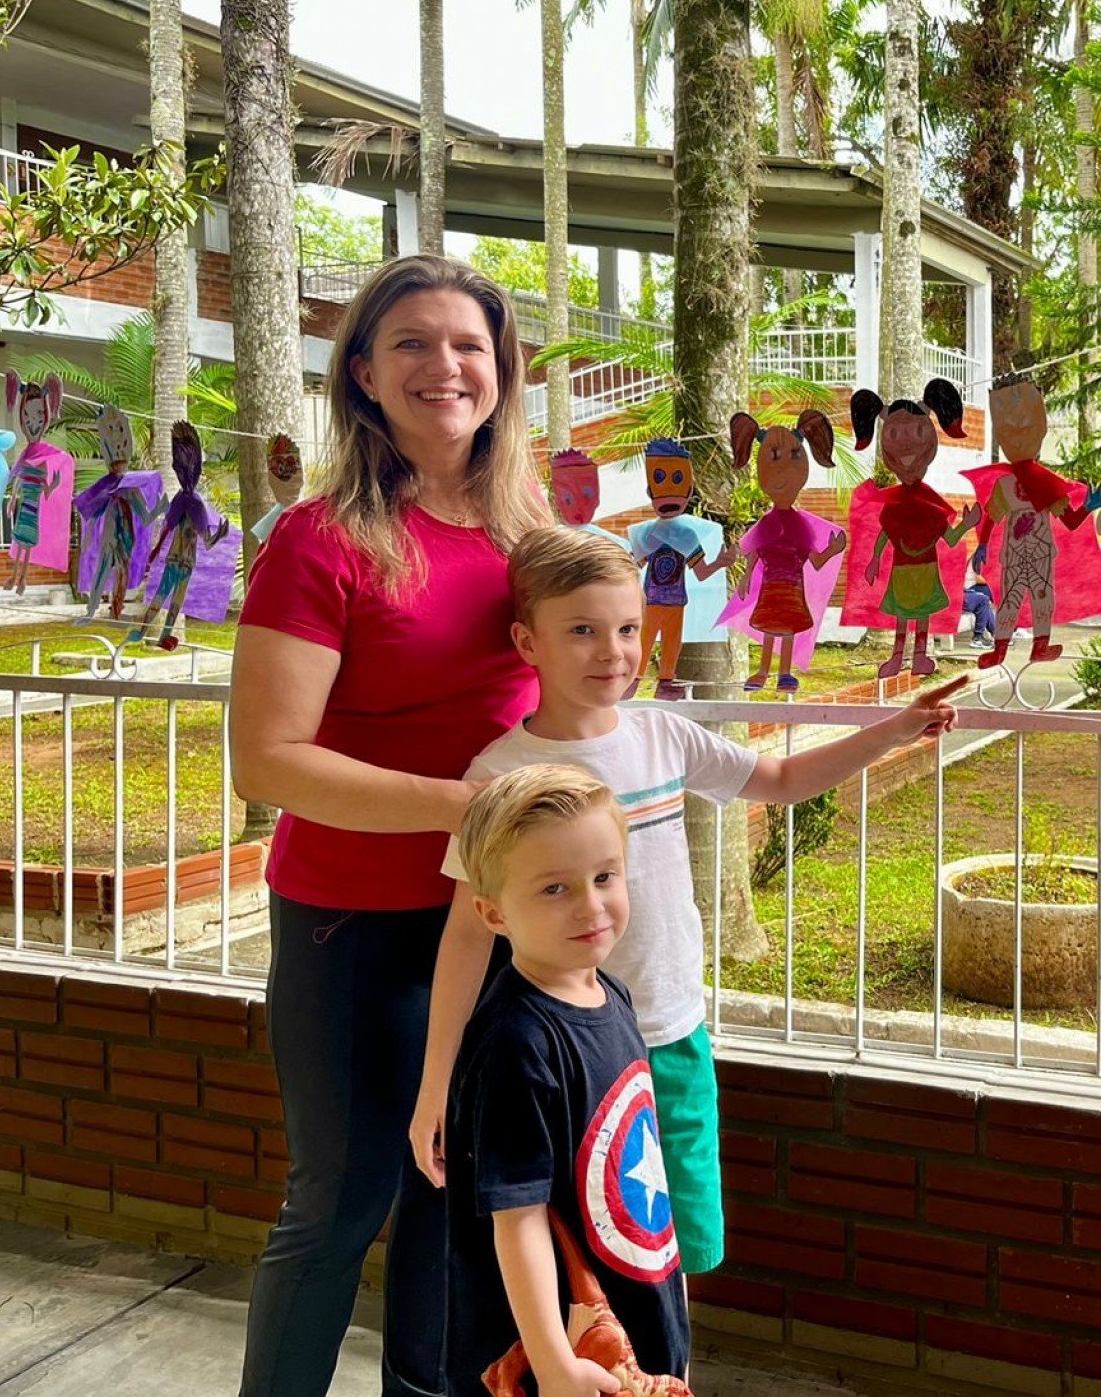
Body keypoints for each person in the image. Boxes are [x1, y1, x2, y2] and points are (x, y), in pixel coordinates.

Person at [411, 524, 965, 1285]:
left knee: (673, 1251)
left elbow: (777, 778)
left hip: (671, 1035)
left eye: (629, 629)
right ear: (527, 641)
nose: (613, 652)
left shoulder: (664, 737)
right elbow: (468, 937)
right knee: (580, 1256)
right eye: (582, 631)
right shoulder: (500, 773)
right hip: (559, 1052)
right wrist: (437, 1081)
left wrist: (896, 730)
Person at [231, 254, 552, 1396]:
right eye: (410, 343)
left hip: (497, 919)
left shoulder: (527, 535)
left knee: (456, 1199)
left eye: (468, 344)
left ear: (503, 372)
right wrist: (474, 810)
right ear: (362, 374)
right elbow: (268, 762)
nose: (444, 367)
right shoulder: (320, 540)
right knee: (340, 1203)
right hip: (355, 930)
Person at [444, 764, 688, 1397]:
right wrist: (554, 1367)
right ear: (493, 913)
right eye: (554, 889)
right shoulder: (516, 1043)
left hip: (632, 1330)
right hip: (559, 1359)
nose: (591, 905)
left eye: (604, 876)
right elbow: (517, 1218)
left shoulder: (612, 995)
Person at [961, 574, 997, 646]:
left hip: (962, 591)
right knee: (983, 599)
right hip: (952, 596)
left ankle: (994, 634)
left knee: (984, 600)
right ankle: (978, 638)